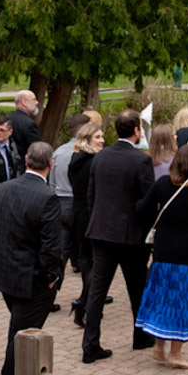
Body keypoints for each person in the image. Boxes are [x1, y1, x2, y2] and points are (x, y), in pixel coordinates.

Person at [0, 143, 65, 375]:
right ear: (51, 164)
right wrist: (51, 276)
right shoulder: (47, 198)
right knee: (20, 338)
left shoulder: (3, 188)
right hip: (32, 281)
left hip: (7, 276)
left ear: (26, 159)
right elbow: (50, 246)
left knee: (19, 331)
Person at [82, 110, 155, 363]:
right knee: (137, 288)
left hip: (101, 231)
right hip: (130, 235)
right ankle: (141, 335)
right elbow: (147, 202)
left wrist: (97, 220)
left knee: (98, 290)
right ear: (136, 130)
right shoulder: (141, 160)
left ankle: (90, 343)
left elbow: (91, 195)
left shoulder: (100, 156)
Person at [134, 145, 188, 368]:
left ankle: (159, 345)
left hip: (164, 251)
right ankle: (176, 353)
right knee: (183, 301)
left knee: (163, 297)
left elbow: (142, 208)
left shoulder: (162, 184)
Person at [67, 123, 106, 327]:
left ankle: (86, 301)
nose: (102, 140)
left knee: (86, 260)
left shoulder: (75, 159)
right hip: (91, 213)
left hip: (79, 213)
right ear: (87, 138)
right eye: (97, 137)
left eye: (102, 136)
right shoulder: (94, 161)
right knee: (96, 262)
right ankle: (84, 302)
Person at [50, 113, 93, 276]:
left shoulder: (58, 152)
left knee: (61, 249)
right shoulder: (87, 155)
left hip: (60, 203)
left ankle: (54, 281)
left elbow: (52, 183)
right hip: (79, 204)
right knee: (86, 252)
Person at [8, 90, 43, 157]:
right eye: (34, 99)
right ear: (24, 102)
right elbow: (37, 151)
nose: (37, 102)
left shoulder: (7, 120)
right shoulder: (29, 124)